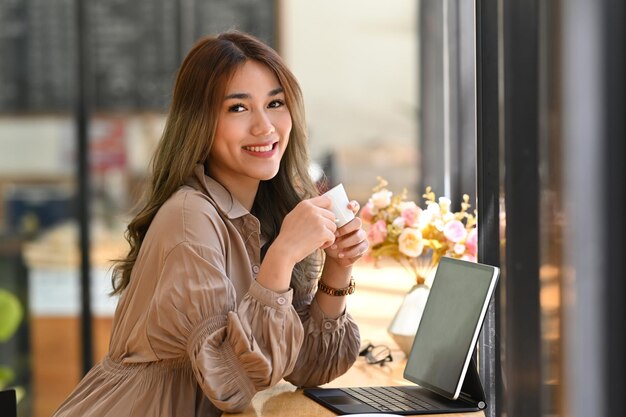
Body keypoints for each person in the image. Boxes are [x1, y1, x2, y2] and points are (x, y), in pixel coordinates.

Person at [52, 31, 367, 417]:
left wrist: (338, 268)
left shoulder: (264, 214)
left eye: (275, 103)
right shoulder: (190, 218)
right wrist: (283, 255)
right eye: (238, 108)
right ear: (200, 122)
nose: (264, 126)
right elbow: (232, 386)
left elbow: (308, 367)